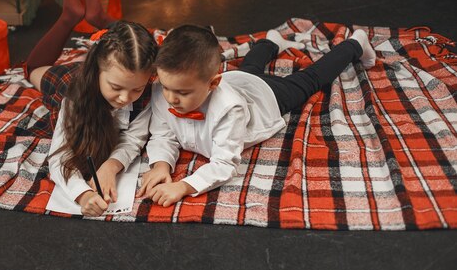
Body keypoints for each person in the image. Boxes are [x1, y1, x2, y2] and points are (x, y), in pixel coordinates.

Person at [137, 24, 376, 207]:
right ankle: (271, 42)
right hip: (239, 81)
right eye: (166, 87)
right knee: (249, 70)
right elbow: (162, 133)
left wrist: (184, 186)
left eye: (182, 92)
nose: (171, 98)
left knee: (309, 80)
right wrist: (161, 165)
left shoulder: (229, 109)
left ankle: (355, 44)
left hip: (264, 97)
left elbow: (223, 163)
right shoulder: (163, 90)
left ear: (212, 84)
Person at [26, 0, 158, 217]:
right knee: (31, 69)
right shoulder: (75, 95)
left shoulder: (148, 90)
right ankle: (69, 16)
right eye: (116, 88)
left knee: (137, 44)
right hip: (72, 80)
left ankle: (99, 17)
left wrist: (111, 166)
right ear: (97, 69)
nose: (125, 98)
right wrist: (82, 193)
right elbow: (59, 157)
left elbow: (134, 139)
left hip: (111, 64)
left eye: (136, 89)